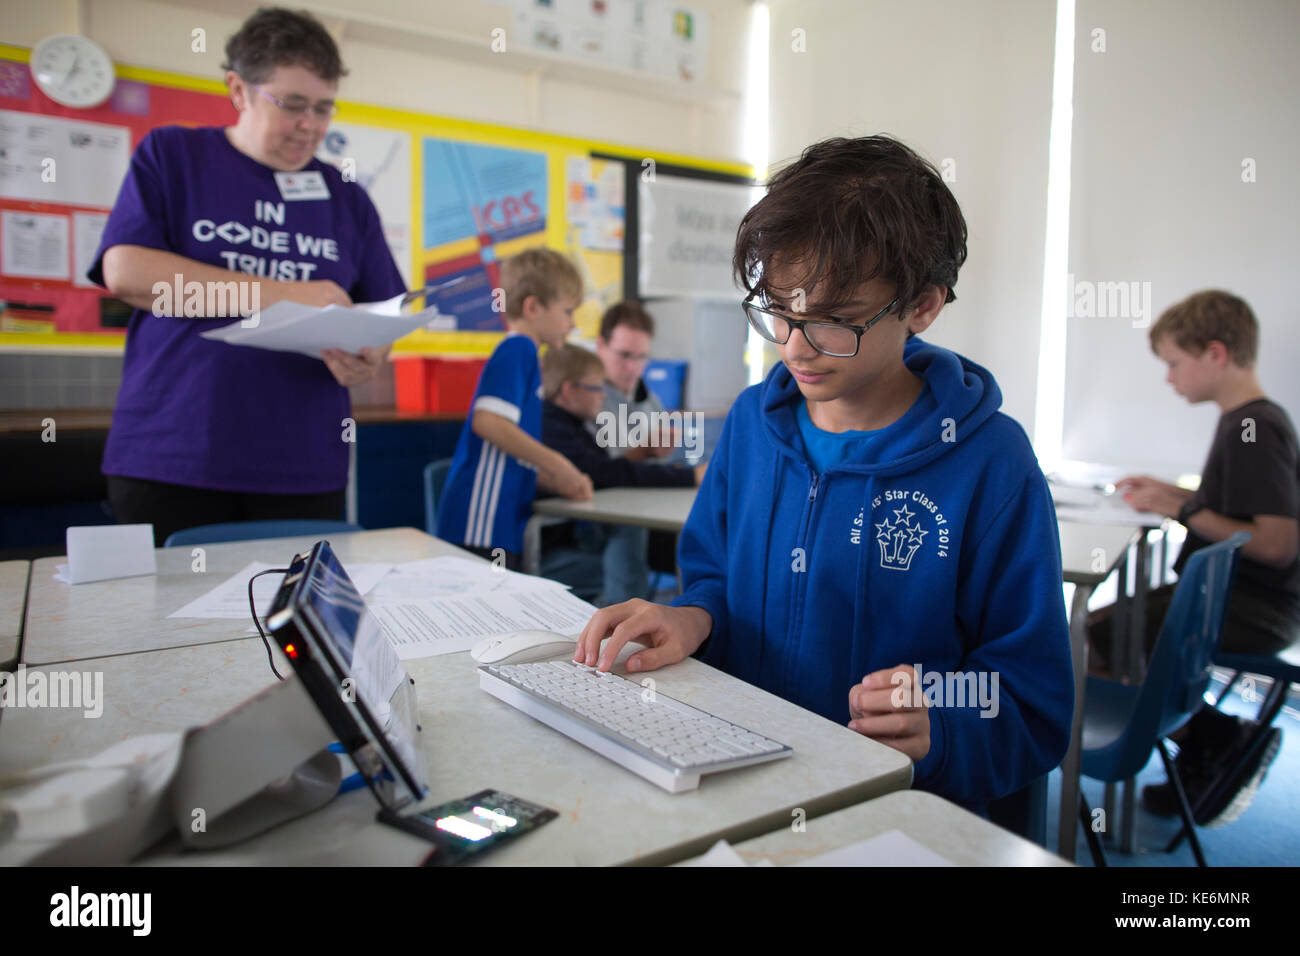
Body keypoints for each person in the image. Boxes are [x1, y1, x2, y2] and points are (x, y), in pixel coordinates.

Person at [574, 135, 1074, 814]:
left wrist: (946, 721)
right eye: (778, 309)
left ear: (922, 306)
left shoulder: (991, 462)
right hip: (740, 786)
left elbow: (1031, 695)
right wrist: (692, 618)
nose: (794, 347)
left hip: (892, 815)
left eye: (835, 322)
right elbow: (714, 578)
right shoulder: (754, 422)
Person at [90, 7, 404, 546]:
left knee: (291, 628)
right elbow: (127, 272)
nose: (311, 125)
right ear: (238, 89)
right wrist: (288, 293)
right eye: (293, 104)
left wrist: (369, 356)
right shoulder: (173, 155)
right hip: (174, 455)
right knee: (165, 629)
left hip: (302, 464)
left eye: (324, 108)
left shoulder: (345, 197)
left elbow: (385, 312)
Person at [1089, 290, 1298, 825]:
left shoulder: (1254, 429)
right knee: (1106, 627)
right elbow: (1234, 510)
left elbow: (1276, 544)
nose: (1169, 378)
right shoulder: (1246, 421)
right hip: (1234, 598)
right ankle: (1206, 740)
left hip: (1256, 608)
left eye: (1174, 363)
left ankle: (1211, 739)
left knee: (1087, 638)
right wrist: (1170, 492)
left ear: (1216, 354)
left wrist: (1181, 508)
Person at [434, 249, 593, 570]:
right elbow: (488, 422)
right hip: (480, 524)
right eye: (567, 311)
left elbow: (508, 457)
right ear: (533, 307)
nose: (572, 324)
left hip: (498, 523)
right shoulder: (517, 349)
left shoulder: (528, 356)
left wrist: (551, 481)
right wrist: (559, 464)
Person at [538, 344, 705, 603]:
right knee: (631, 543)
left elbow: (603, 470)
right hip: (549, 550)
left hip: (571, 539)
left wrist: (644, 453)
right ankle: (620, 626)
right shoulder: (551, 427)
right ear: (569, 390)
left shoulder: (570, 425)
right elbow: (604, 474)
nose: (602, 396)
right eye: (595, 388)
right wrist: (688, 477)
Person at [593, 301, 674, 460]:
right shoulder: (582, 401)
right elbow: (596, 472)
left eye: (642, 357)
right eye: (624, 355)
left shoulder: (652, 404)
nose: (633, 367)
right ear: (600, 345)